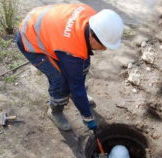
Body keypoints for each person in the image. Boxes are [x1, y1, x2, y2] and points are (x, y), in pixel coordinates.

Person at [16, 3, 124, 131]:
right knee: (60, 80)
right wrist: (87, 117)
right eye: (103, 44)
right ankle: (55, 111)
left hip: (52, 32)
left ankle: (78, 97)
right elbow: (75, 83)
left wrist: (79, 95)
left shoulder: (94, 19)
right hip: (30, 37)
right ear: (92, 36)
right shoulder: (70, 51)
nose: (104, 49)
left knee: (82, 66)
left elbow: (78, 69)